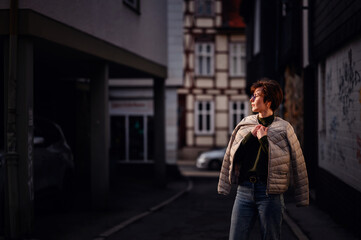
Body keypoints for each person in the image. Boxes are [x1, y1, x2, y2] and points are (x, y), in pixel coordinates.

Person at [218, 78, 309, 240]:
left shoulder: (284, 128)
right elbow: (232, 156)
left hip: (270, 194)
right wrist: (250, 138)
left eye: (256, 96)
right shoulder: (245, 124)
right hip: (244, 191)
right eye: (252, 95)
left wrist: (264, 140)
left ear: (268, 101)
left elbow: (297, 161)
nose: (251, 99)